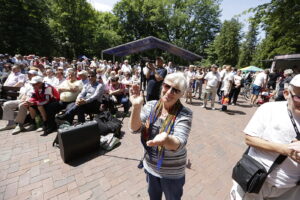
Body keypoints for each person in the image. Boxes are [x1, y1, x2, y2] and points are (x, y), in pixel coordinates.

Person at [230, 74, 300, 200]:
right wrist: (285, 150)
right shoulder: (269, 109)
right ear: (286, 94)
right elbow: (249, 139)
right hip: (257, 180)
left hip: (292, 189)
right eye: (299, 98)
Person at [129, 72, 193, 200]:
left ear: (181, 94)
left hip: (172, 172)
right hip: (151, 166)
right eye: (166, 86)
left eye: (175, 90)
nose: (169, 92)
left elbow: (179, 141)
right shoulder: (151, 105)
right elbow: (135, 128)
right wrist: (136, 107)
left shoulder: (184, 113)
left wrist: (166, 139)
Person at [0, 70, 37, 134]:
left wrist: (27, 98)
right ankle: (11, 123)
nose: (28, 75)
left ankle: (20, 125)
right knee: (6, 104)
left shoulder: (37, 81)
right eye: (28, 74)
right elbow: (24, 91)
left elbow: (34, 92)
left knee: (22, 105)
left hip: (31, 100)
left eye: (30, 74)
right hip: (22, 98)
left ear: (34, 75)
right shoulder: (27, 82)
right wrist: (22, 96)